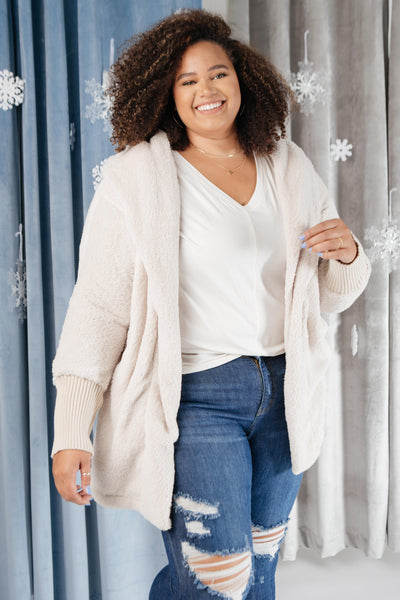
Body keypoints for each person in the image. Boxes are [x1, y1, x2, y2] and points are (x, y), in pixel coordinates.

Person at [51, 9, 371, 600]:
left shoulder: (287, 165)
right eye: (188, 80)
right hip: (196, 399)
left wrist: (348, 257)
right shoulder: (134, 180)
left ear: (242, 80)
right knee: (216, 580)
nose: (207, 90)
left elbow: (326, 295)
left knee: (260, 573)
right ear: (165, 94)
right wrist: (71, 427)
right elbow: (98, 308)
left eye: (218, 74)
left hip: (285, 392)